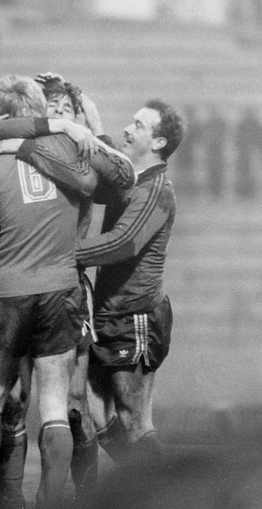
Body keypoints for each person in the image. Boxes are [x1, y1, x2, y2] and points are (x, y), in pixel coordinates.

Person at [0, 74, 135, 509]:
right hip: (61, 292)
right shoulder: (74, 155)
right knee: (55, 405)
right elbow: (118, 178)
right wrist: (86, 127)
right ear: (37, 111)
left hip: (8, 292)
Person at [78, 99, 183, 466]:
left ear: (158, 142)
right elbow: (113, 173)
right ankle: (142, 485)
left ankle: (166, 493)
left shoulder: (157, 189)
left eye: (138, 125)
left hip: (135, 315)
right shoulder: (135, 180)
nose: (127, 128)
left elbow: (122, 244)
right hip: (111, 313)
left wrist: (58, 253)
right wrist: (94, 123)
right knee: (95, 412)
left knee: (133, 420)